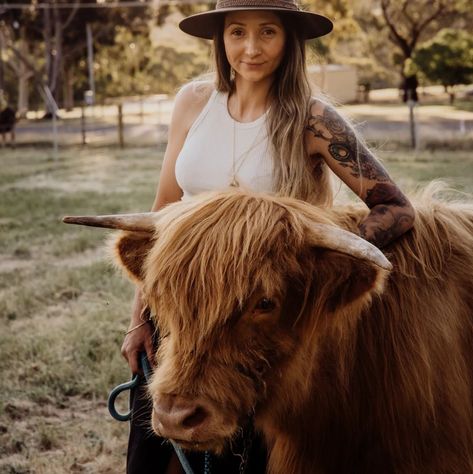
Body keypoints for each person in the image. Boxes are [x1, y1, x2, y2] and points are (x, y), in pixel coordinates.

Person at [121, 1, 416, 472]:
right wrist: (140, 316)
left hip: (258, 323)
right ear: (220, 39)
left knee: (252, 458)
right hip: (186, 306)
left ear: (290, 41)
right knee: (155, 454)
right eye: (237, 32)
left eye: (268, 33)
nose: (251, 48)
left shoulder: (314, 120)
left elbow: (395, 208)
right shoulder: (193, 102)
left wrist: (309, 267)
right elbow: (164, 212)